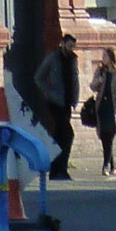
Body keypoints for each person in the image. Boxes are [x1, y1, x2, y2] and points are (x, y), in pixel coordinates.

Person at [33, 33, 80, 178]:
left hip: (67, 102)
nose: (71, 49)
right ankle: (61, 168)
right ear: (62, 43)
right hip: (55, 102)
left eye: (73, 46)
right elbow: (38, 78)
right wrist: (48, 93)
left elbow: (74, 80)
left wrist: (75, 99)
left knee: (60, 136)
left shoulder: (73, 60)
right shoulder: (53, 58)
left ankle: (56, 170)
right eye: (69, 45)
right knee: (68, 134)